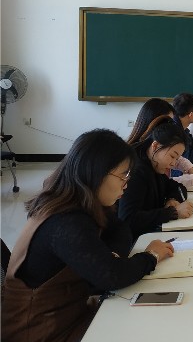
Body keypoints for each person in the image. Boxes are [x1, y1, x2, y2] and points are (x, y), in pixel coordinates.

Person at [1, 129, 174, 342]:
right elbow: (112, 277)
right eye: (123, 175)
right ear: (97, 172)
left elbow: (120, 229)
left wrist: (111, 259)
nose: (126, 184)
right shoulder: (65, 221)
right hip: (42, 332)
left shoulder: (80, 201)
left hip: (69, 314)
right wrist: (150, 256)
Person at [119, 118, 193, 238]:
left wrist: (172, 199)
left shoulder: (155, 164)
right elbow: (128, 219)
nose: (173, 164)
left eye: (177, 158)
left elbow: (177, 187)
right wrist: (172, 212)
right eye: (172, 156)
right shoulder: (136, 171)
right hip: (136, 241)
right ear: (155, 146)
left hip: (152, 234)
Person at [128, 98, 193, 183]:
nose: (170, 125)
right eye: (166, 122)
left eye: (171, 122)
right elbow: (164, 185)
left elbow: (179, 158)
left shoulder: (156, 146)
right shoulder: (138, 162)